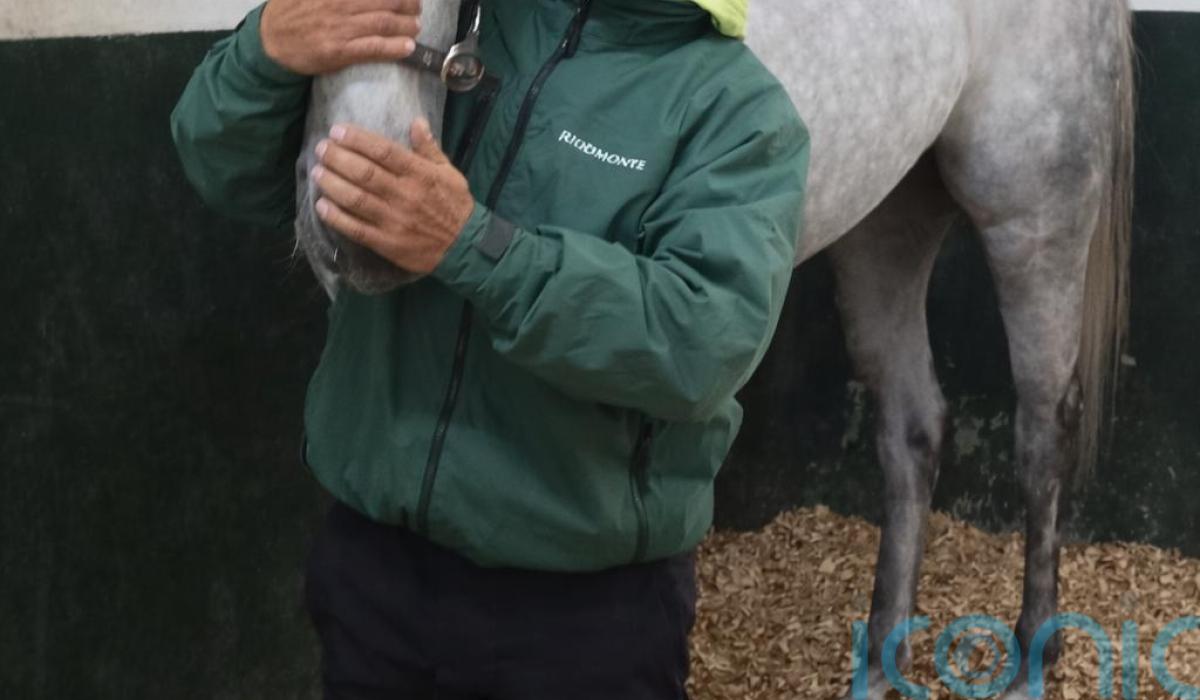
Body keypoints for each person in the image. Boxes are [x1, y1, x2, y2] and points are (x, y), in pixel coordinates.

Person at [171, 0, 809, 697]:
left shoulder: (738, 111)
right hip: (375, 572)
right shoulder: (452, 21)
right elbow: (227, 170)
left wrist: (472, 246)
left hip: (581, 616)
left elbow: (699, 345)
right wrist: (266, 51)